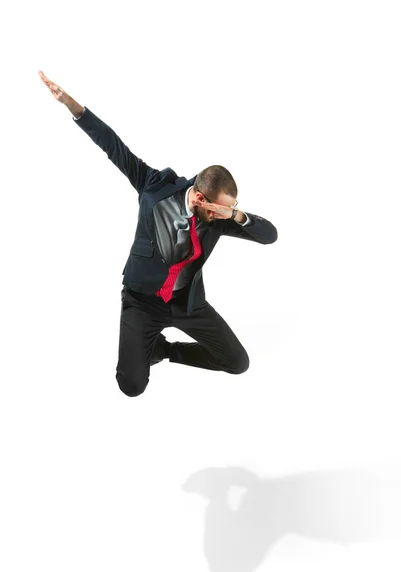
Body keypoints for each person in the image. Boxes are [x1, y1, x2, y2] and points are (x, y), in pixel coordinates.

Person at [38, 70, 278, 397]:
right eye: (217, 209)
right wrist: (72, 106)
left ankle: (164, 350)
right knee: (132, 386)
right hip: (142, 301)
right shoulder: (155, 186)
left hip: (187, 304)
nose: (219, 216)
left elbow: (269, 235)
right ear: (198, 197)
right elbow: (113, 145)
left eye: (227, 209)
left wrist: (235, 214)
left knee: (237, 362)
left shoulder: (219, 218)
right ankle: (145, 346)